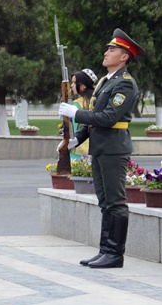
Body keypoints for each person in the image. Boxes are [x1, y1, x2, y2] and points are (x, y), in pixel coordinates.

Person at [59, 29, 143, 269]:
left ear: (124, 57)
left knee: (116, 202)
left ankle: (115, 254)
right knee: (105, 201)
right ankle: (105, 250)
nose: (106, 53)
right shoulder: (106, 82)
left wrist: (76, 114)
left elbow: (108, 117)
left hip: (114, 148)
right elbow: (95, 117)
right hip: (100, 147)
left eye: (112, 49)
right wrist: (76, 138)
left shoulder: (125, 84)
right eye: (108, 48)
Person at [68, 68, 97, 159]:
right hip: (95, 150)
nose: (71, 86)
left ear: (83, 86)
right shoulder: (97, 101)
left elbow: (74, 129)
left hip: (78, 152)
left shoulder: (77, 104)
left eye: (74, 83)